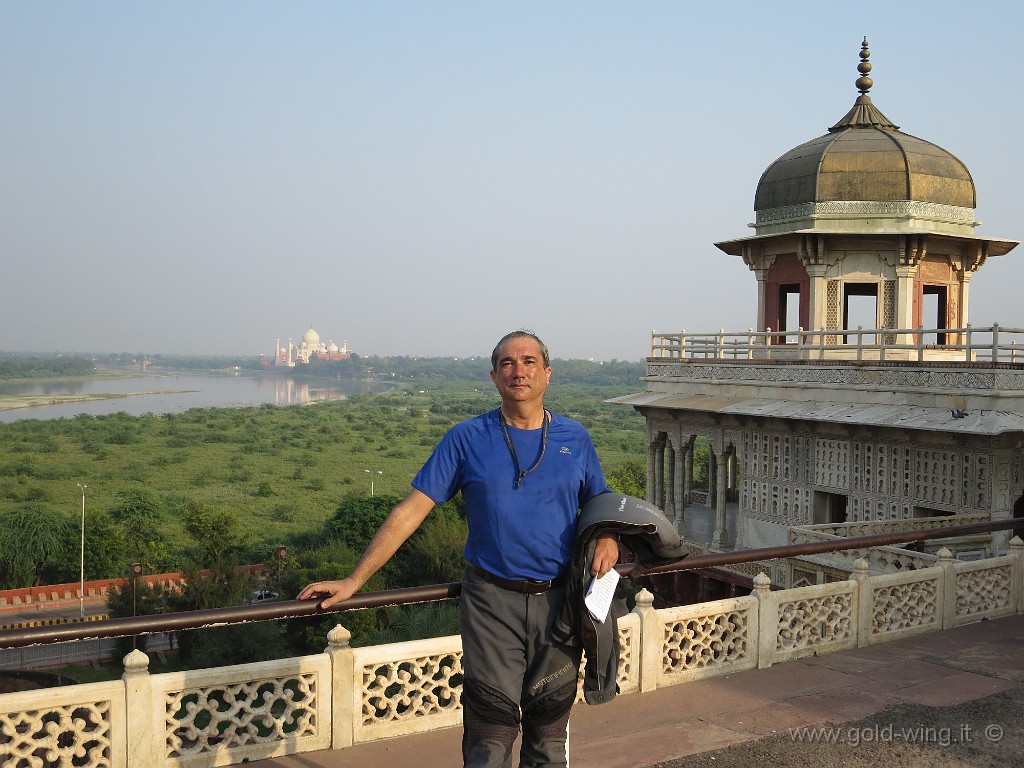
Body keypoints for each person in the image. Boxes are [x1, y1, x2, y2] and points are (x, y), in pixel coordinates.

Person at [298, 329, 619, 768]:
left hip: (559, 601)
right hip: (491, 601)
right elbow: (413, 509)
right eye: (507, 363)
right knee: (491, 729)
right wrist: (356, 579)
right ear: (493, 376)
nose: (517, 371)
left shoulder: (575, 438)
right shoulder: (467, 437)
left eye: (528, 361)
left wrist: (608, 535)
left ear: (547, 373)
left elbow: (599, 503)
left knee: (549, 729)